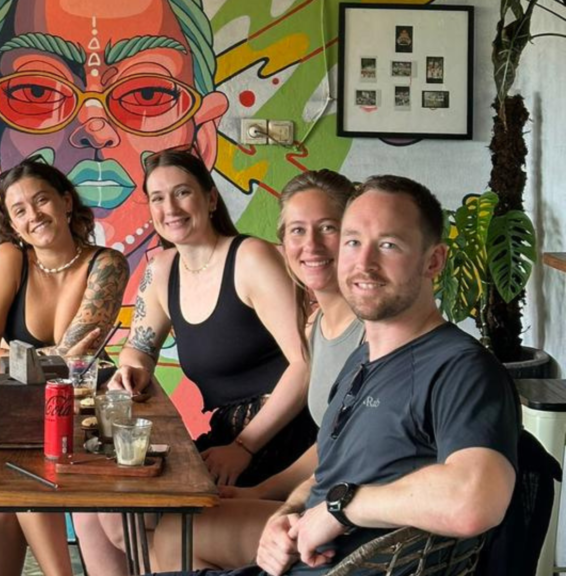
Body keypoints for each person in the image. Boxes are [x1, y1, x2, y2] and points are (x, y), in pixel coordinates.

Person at [162, 175, 520, 575]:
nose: (363, 263)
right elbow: (332, 469)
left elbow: (475, 500)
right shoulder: (361, 360)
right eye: (352, 242)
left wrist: (341, 507)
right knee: (171, 535)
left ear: (433, 261)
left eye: (388, 244)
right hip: (304, 558)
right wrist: (286, 513)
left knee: (170, 533)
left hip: (343, 565)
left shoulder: (460, 368)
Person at [77, 149, 316, 573]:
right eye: (157, 198)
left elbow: (304, 364)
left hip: (280, 436)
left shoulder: (250, 258)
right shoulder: (163, 269)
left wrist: (244, 447)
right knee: (103, 511)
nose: (170, 208)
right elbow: (139, 348)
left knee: (147, 522)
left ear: (210, 198)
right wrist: (132, 370)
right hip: (226, 434)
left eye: (182, 192)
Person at [153, 170, 363, 570]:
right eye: (297, 231)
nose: (311, 245)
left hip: (357, 521)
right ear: (282, 243)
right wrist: (265, 492)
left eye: (328, 228)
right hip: (325, 495)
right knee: (171, 523)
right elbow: (334, 444)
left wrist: (272, 490)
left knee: (176, 532)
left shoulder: (372, 331)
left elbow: (361, 450)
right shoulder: (318, 327)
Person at [0, 0, 229, 291]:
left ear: (202, 139)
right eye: (38, 93)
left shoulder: (230, 264)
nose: (96, 132)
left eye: (147, 95)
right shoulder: (10, 264)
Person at [0, 157, 130, 576]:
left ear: (65, 202)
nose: (34, 215)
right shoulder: (10, 257)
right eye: (19, 210)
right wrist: (47, 359)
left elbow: (74, 362)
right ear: (12, 223)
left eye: (41, 200)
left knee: (15, 477)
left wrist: (14, 359)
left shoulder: (107, 264)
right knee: (9, 485)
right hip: (17, 412)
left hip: (82, 412)